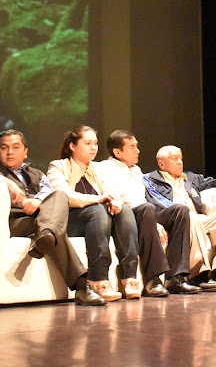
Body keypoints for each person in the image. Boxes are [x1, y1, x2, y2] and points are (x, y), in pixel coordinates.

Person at [0, 129, 106, 306]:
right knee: (55, 229)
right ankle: (51, 240)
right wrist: (5, 182)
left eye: (16, 147)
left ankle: (48, 237)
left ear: (25, 152)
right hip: (12, 222)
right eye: (4, 148)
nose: (10, 152)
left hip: (38, 220)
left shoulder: (37, 174)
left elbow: (49, 193)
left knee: (60, 196)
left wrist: (38, 201)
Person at [47, 125, 171, 301]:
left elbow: (111, 191)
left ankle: (128, 276)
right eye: (87, 143)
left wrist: (115, 201)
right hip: (72, 220)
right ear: (73, 146)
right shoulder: (58, 166)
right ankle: (98, 278)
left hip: (99, 219)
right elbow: (63, 195)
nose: (93, 147)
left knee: (125, 210)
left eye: (95, 143)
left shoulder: (97, 168)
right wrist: (97, 199)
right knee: (98, 210)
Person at [99, 130, 200, 294]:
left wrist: (157, 221)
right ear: (117, 152)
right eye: (132, 147)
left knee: (180, 210)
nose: (137, 151)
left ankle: (176, 278)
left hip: (145, 211)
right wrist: (154, 221)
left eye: (137, 146)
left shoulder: (136, 170)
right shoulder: (106, 167)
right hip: (125, 215)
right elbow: (119, 197)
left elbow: (144, 198)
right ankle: (153, 280)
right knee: (147, 209)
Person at [143, 145, 216, 289]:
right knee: (191, 217)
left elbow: (210, 181)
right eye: (174, 159)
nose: (179, 162)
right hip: (174, 219)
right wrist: (181, 212)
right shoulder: (151, 179)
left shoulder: (189, 178)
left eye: (181, 158)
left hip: (196, 217)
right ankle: (199, 274)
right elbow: (156, 201)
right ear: (161, 164)